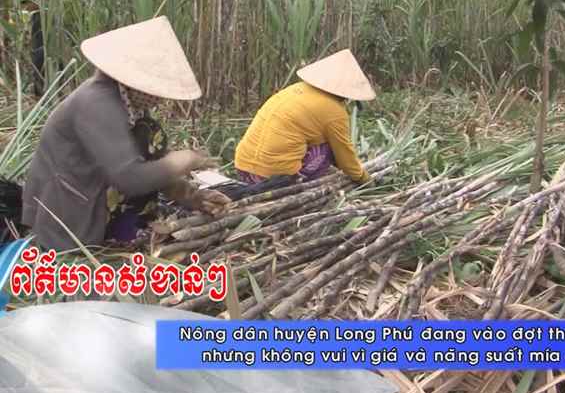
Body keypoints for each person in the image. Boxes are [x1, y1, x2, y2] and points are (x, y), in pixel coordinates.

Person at [21, 16, 230, 252]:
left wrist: (195, 198)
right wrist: (181, 161)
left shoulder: (131, 103)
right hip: (67, 214)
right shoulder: (97, 103)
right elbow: (130, 177)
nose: (160, 98)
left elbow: (149, 162)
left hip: (99, 201)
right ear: (133, 79)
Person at [234, 49, 375, 186]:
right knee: (329, 148)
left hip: (243, 169)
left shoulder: (296, 88)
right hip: (274, 179)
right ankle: (297, 180)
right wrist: (364, 179)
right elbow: (345, 157)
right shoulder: (334, 111)